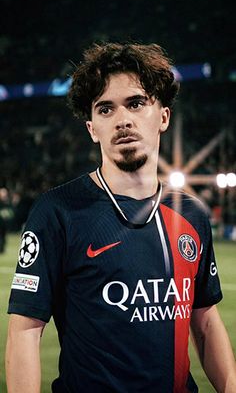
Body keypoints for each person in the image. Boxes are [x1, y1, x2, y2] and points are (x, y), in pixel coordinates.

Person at [5, 42, 236, 393]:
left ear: (163, 116)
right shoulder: (57, 211)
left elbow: (204, 323)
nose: (123, 119)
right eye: (105, 109)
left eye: (136, 103)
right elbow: (25, 330)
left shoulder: (191, 214)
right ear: (92, 128)